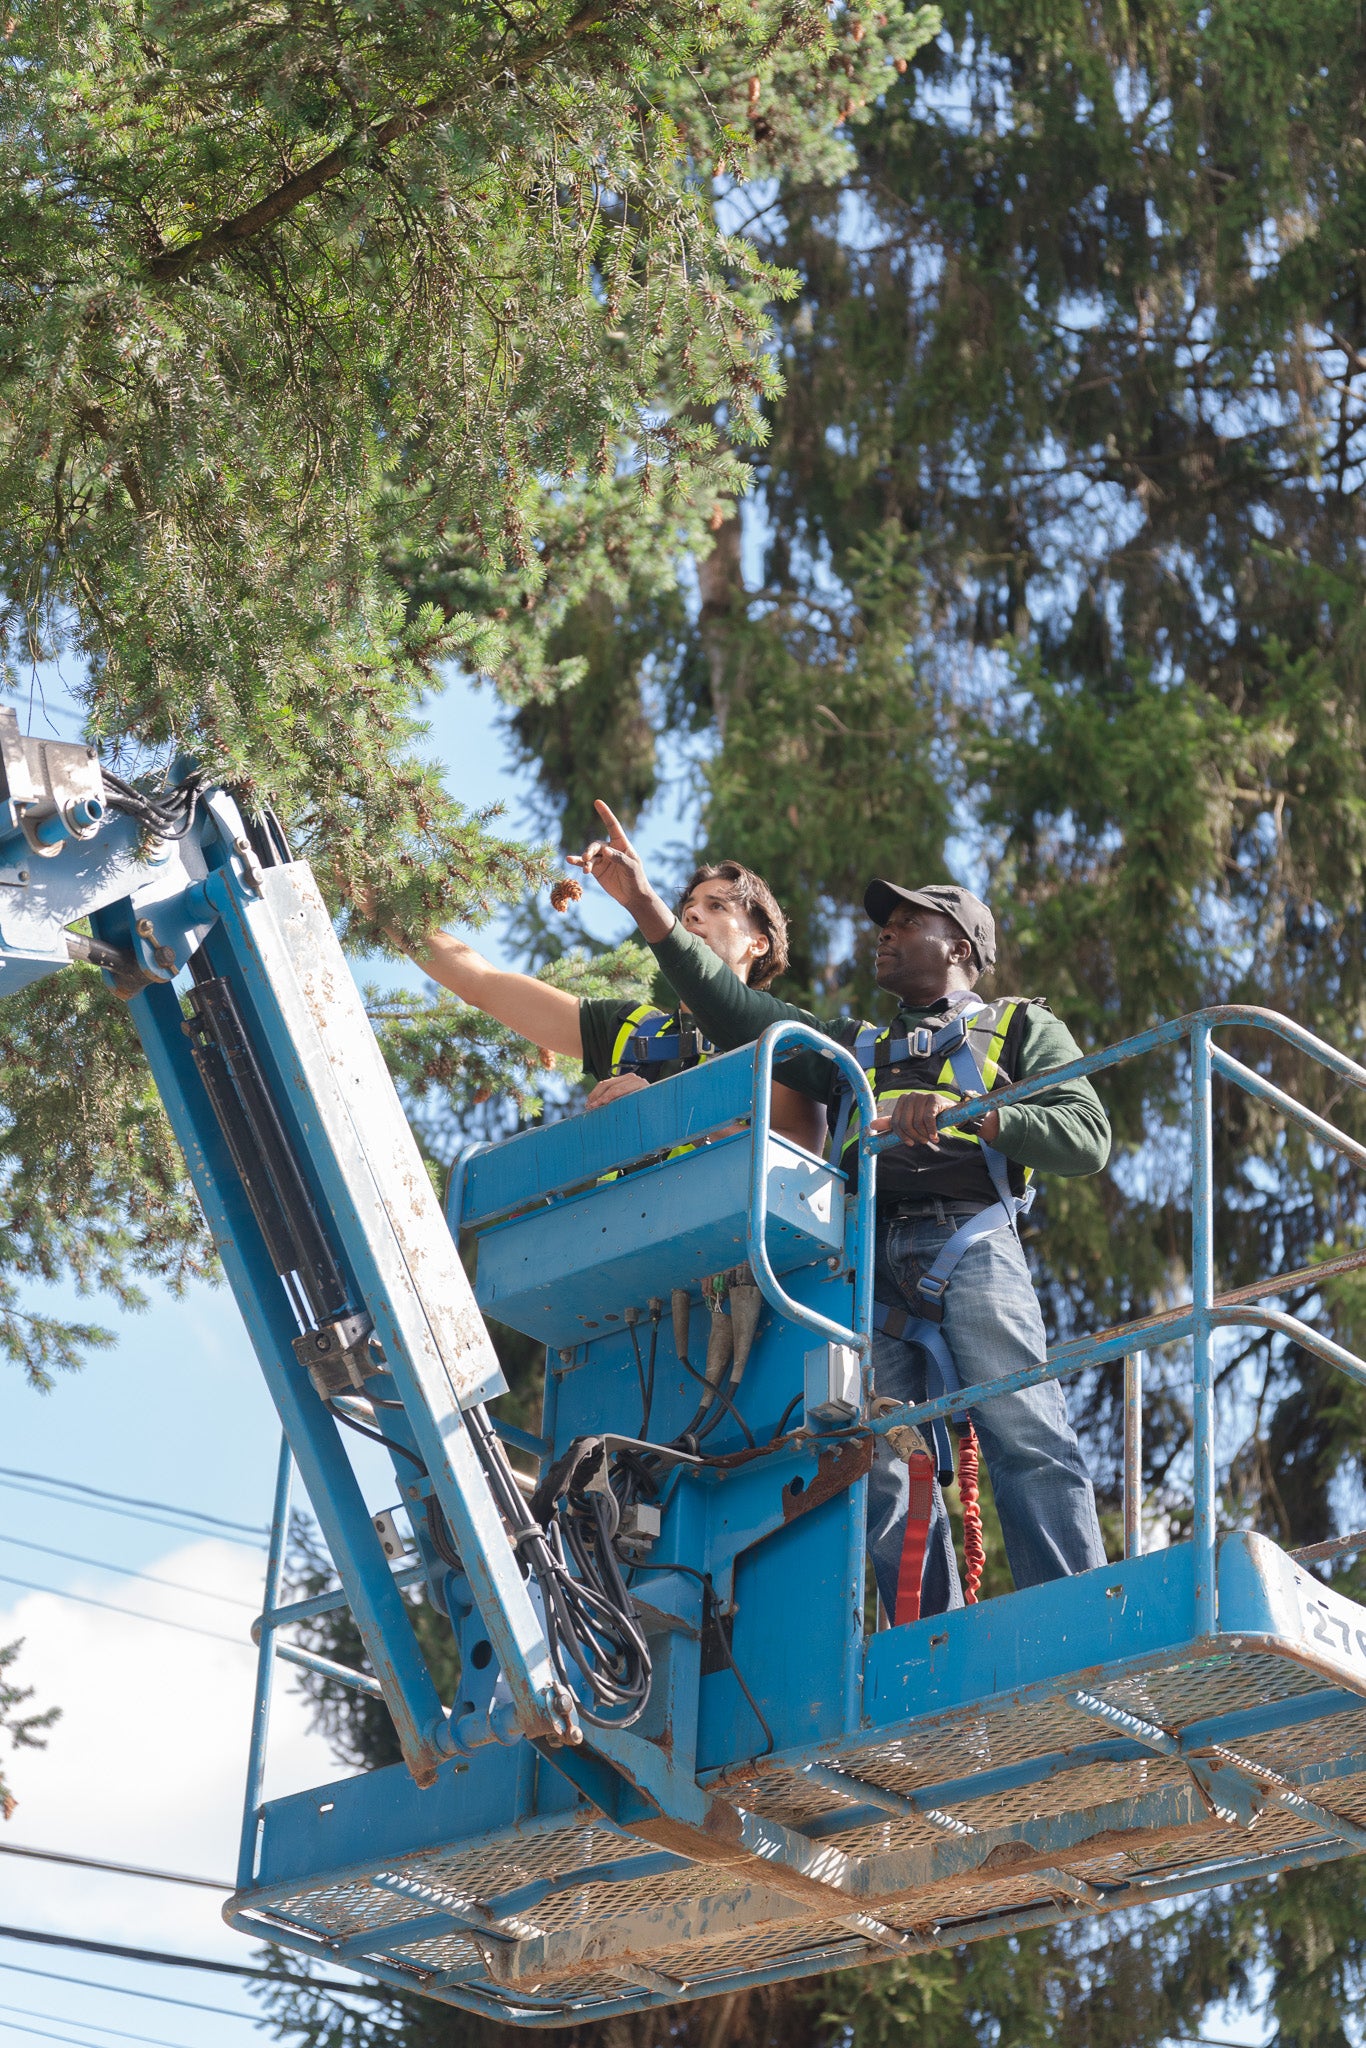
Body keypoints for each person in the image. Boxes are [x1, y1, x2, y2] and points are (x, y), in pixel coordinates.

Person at [570, 800, 1111, 1621]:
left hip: (968, 1241)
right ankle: (924, 1642)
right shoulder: (844, 1047)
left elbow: (1087, 1135)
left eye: (908, 922)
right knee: (883, 1465)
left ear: (960, 947)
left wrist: (975, 1114)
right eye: (884, 923)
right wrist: (646, 905)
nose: (885, 933)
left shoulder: (1018, 1027)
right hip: (861, 1261)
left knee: (1024, 1431)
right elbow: (734, 1012)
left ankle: (1075, 1620)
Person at [388, 859, 825, 1152]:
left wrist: (667, 1113)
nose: (693, 914)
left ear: (758, 943)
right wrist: (386, 907)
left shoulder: (780, 1039)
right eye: (689, 906)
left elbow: (799, 1159)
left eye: (716, 907)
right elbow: (482, 984)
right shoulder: (631, 1031)